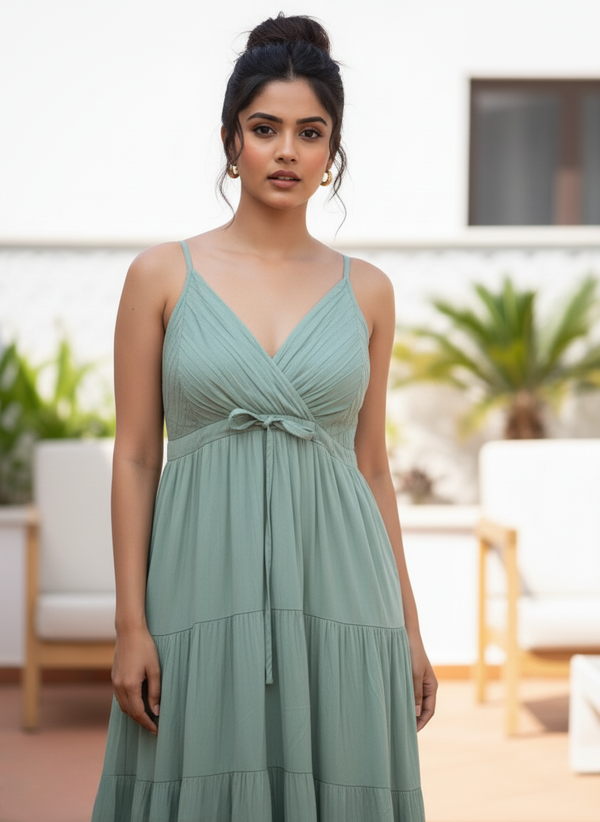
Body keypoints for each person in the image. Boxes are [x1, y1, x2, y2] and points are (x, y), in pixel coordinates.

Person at [91, 13, 437, 822]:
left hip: (345, 587)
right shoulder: (160, 275)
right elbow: (138, 455)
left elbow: (372, 466)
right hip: (196, 582)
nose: (287, 150)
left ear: (332, 152)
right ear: (230, 140)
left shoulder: (370, 290)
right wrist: (129, 625)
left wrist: (410, 628)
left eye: (310, 132)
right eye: (265, 128)